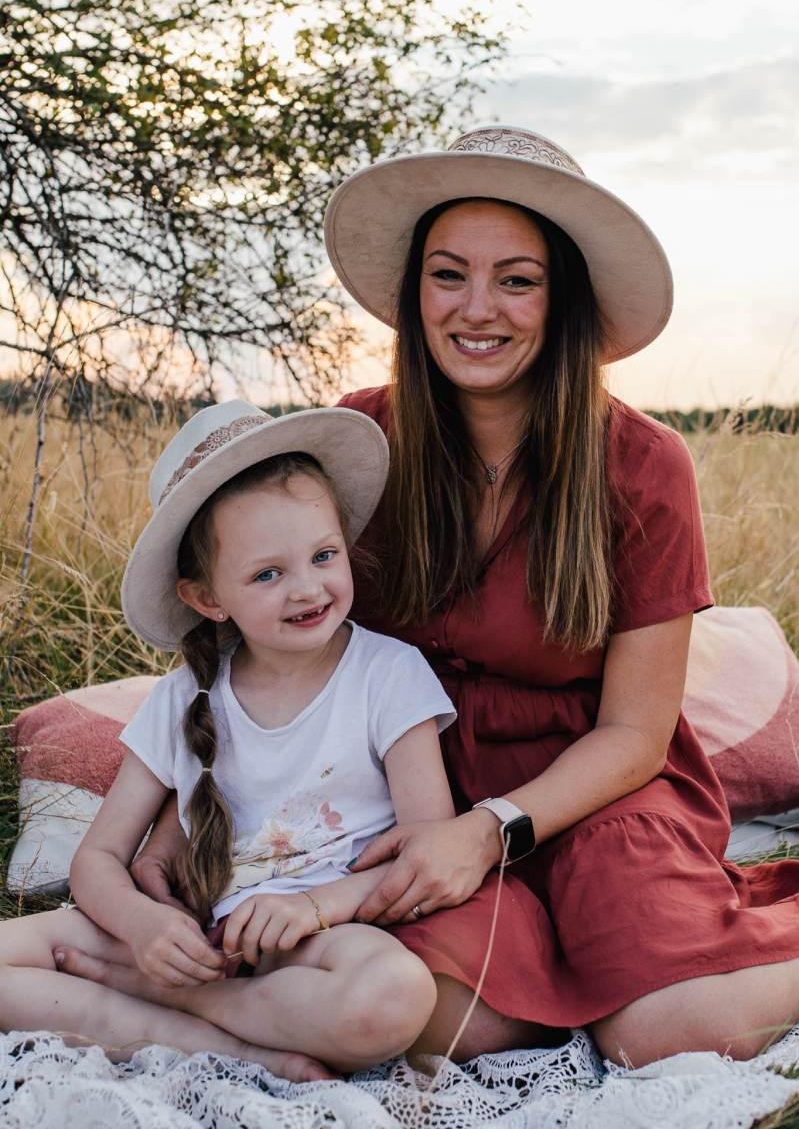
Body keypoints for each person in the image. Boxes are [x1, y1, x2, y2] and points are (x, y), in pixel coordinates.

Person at [85, 126, 799, 1070]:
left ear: (563, 299)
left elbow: (634, 732)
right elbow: (273, 643)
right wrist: (191, 815)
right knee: (432, 1021)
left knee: (661, 1034)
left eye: (517, 278)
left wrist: (490, 830)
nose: (476, 309)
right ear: (413, 291)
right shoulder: (358, 442)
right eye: (447, 273)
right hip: (405, 791)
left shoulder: (641, 463)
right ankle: (569, 963)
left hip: (589, 790)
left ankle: (683, 949)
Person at [0, 402, 459, 1080]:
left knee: (393, 999)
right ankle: (223, 1045)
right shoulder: (186, 694)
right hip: (193, 936)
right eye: (267, 574)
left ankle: (179, 1003)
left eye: (323, 555)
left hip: (321, 940)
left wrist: (312, 905)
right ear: (208, 597)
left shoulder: (386, 675)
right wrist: (142, 926)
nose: (307, 587)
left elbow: (428, 845)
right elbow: (98, 857)